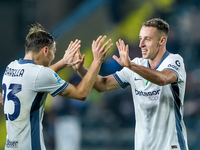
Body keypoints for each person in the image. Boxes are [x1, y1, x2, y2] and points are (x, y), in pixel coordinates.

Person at [73, 18, 189, 150]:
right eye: (140, 39)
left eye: (147, 39)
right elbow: (102, 85)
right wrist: (81, 69)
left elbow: (162, 79)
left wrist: (131, 66)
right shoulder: (136, 64)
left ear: (162, 41)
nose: (141, 44)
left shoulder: (174, 61)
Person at [1, 23, 113, 150]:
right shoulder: (39, 75)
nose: (53, 57)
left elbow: (37, 78)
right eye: (54, 52)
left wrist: (63, 62)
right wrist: (97, 61)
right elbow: (81, 94)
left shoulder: (11, 67)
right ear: (45, 50)